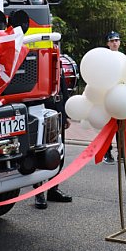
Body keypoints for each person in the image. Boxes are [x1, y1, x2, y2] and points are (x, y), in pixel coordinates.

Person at [34, 66, 73, 209]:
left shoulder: (57, 60)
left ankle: (53, 189)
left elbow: (63, 88)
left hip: (58, 110)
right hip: (41, 109)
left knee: (59, 152)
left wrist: (66, 113)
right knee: (40, 152)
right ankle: (39, 192)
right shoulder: (36, 56)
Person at [102, 31, 121, 165]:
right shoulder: (104, 57)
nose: (115, 43)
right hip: (108, 94)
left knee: (121, 126)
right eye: (112, 41)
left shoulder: (123, 57)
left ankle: (122, 151)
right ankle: (107, 152)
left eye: (116, 40)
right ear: (108, 43)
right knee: (108, 127)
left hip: (120, 94)